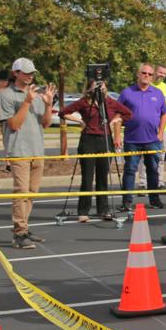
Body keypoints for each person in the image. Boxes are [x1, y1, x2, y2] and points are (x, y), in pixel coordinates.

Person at [0, 58, 56, 249]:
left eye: (32, 72)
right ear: (15, 73)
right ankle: (19, 233)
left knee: (31, 193)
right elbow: (14, 125)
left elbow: (46, 124)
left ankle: (24, 227)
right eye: (26, 72)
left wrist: (48, 104)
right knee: (21, 192)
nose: (30, 76)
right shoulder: (6, 95)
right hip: (19, 151)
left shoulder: (37, 94)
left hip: (37, 150)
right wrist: (26, 102)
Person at [61, 80, 132, 223]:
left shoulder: (110, 102)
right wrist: (80, 121)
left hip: (105, 140)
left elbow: (128, 113)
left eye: (103, 85)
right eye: (97, 85)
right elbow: (63, 112)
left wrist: (115, 120)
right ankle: (83, 211)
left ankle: (103, 210)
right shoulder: (84, 102)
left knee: (103, 177)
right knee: (87, 178)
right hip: (88, 141)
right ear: (90, 88)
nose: (101, 88)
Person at [118, 63, 166, 211]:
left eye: (149, 74)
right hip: (132, 140)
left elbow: (164, 113)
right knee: (129, 170)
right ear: (138, 74)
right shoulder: (127, 92)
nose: (147, 76)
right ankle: (126, 202)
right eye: (144, 73)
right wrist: (116, 134)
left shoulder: (157, 93)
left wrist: (160, 132)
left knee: (153, 170)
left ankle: (154, 200)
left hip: (152, 140)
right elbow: (117, 114)